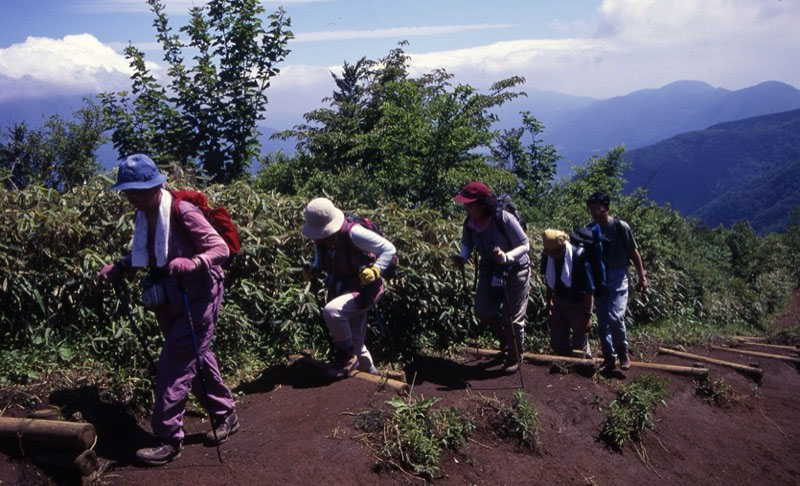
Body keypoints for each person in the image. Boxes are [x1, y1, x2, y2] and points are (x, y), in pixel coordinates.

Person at [97, 154, 238, 466]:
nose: (131, 198)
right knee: (194, 355)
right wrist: (119, 267)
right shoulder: (146, 214)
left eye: (137, 191)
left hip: (200, 294)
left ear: (154, 187)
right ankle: (224, 412)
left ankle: (167, 438)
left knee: (174, 364)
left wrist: (194, 261)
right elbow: (146, 253)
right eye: (127, 192)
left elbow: (220, 249)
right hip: (171, 297)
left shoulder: (182, 212)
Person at [301, 197, 397, 379]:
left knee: (332, 312)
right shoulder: (321, 238)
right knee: (356, 342)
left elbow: (389, 249)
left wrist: (376, 270)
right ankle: (372, 376)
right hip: (341, 289)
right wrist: (313, 270)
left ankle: (346, 357)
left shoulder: (354, 233)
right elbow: (319, 259)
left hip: (364, 289)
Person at [452, 181, 530, 373]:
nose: (466, 207)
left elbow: (525, 244)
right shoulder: (470, 222)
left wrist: (506, 256)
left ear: (482, 203)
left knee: (512, 317)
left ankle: (515, 356)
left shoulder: (503, 218)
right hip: (490, 268)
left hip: (515, 269)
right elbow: (467, 244)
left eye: (470, 204)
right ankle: (505, 337)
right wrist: (462, 257)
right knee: (483, 310)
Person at [586, 191, 648, 371]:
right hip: (599, 276)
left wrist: (641, 276)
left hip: (619, 275)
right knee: (603, 319)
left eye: (598, 208)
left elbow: (633, 252)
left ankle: (622, 351)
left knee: (615, 316)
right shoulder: (590, 229)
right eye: (592, 209)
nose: (595, 212)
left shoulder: (621, 227)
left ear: (606, 207)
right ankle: (608, 357)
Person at [540, 229, 595, 357]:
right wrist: (549, 303)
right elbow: (549, 281)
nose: (551, 255)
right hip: (559, 301)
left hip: (578, 304)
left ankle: (584, 370)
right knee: (558, 343)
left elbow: (589, 289)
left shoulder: (578, 256)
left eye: (553, 253)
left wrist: (587, 317)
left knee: (579, 348)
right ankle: (566, 368)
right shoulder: (548, 256)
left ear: (561, 249)